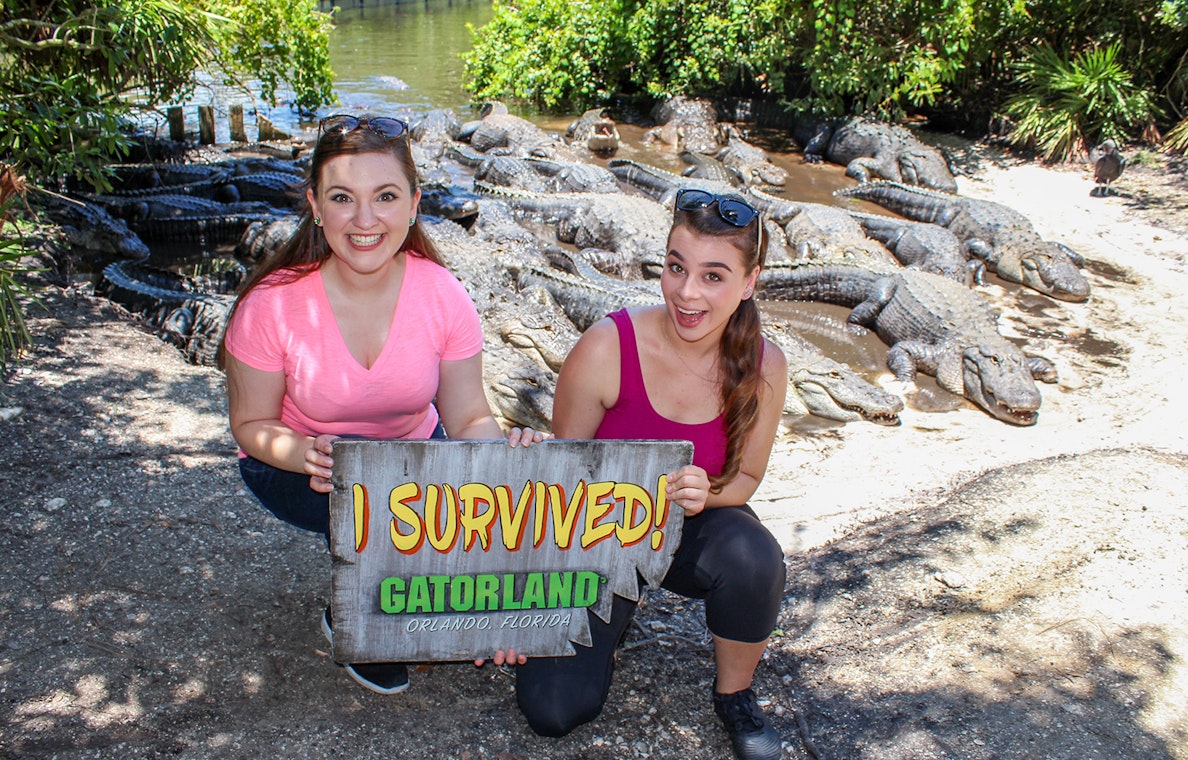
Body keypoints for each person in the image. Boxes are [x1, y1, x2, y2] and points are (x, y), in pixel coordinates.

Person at [220, 113, 537, 696]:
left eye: (385, 197)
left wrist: (507, 469)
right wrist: (307, 452)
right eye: (343, 198)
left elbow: (467, 417)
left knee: (453, 545)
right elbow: (250, 426)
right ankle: (357, 603)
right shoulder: (271, 304)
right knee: (377, 497)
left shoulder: (442, 293)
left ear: (413, 203)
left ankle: (383, 580)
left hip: (411, 462)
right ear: (316, 205)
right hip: (298, 467)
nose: (365, 220)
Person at [515, 188, 789, 760]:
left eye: (714, 276)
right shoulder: (606, 346)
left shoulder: (765, 364)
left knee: (753, 556)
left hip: (692, 527)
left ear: (750, 282)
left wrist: (706, 491)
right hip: (596, 535)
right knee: (553, 713)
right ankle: (615, 618)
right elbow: (560, 478)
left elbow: (746, 480)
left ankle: (735, 694)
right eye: (675, 267)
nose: (687, 293)